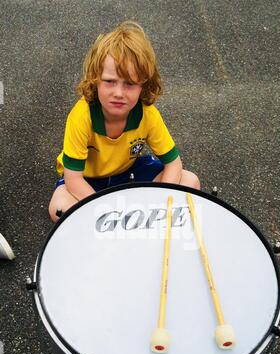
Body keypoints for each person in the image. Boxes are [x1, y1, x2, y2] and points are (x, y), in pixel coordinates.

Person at [48, 21, 200, 223]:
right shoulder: (81, 117)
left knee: (190, 181)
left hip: (128, 172)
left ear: (143, 85)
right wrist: (108, 210)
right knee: (59, 208)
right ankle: (131, 219)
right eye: (110, 81)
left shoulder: (147, 114)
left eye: (129, 84)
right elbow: (73, 179)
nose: (118, 93)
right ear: (95, 79)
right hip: (88, 180)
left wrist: (161, 199)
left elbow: (173, 163)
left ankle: (135, 220)